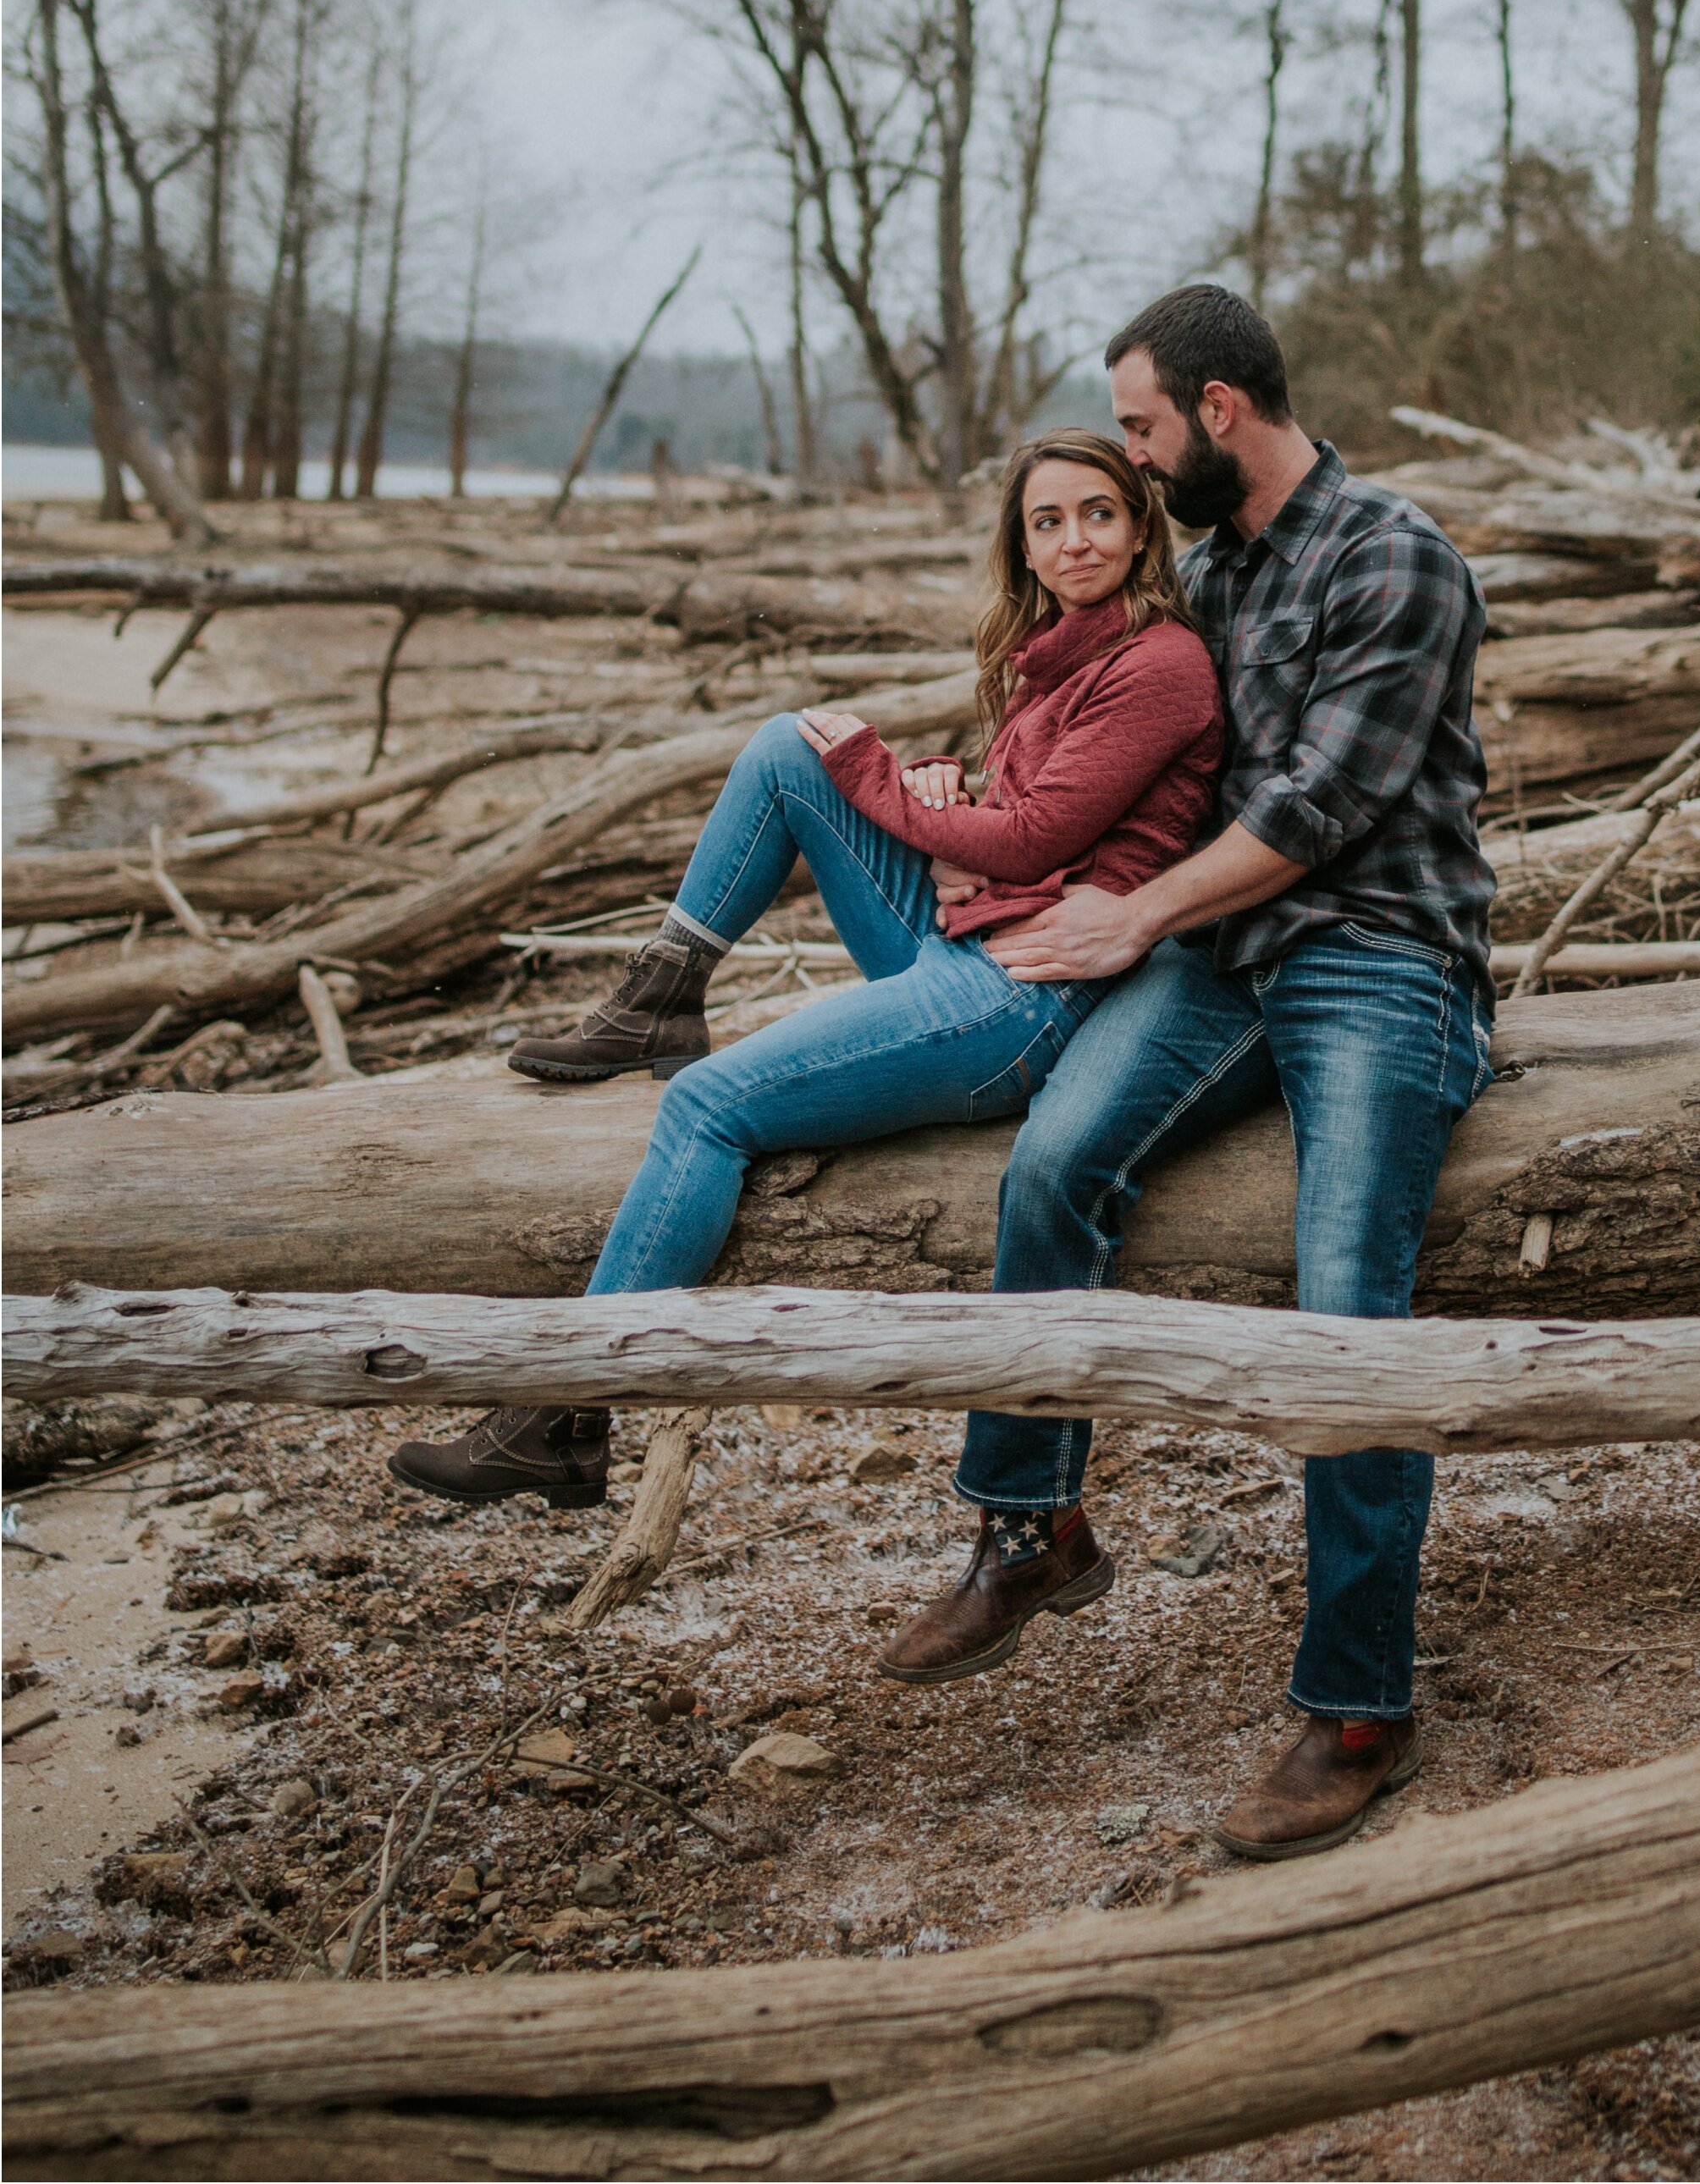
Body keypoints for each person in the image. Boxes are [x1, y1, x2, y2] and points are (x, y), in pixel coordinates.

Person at [876, 285, 1495, 1864]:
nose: (1135, 465)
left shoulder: (1396, 552)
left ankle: (1358, 1704)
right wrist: (978, 787)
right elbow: (1126, 740)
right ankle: (1031, 1525)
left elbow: (1319, 811)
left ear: (1219, 411)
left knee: (1350, 1290)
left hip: (1373, 953)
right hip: (1224, 958)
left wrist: (1129, 916)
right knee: (1054, 1163)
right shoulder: (1206, 573)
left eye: (1143, 429)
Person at [387, 428, 1223, 1518]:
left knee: (706, 1107)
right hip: (971, 941)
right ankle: (662, 991)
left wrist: (884, 778)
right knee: (789, 747)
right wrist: (938, 796)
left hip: (1022, 999)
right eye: (1047, 522)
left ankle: (559, 1414)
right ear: (1019, 545)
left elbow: (1028, 840)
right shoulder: (1062, 649)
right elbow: (1021, 819)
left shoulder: (1159, 662)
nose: (1075, 541)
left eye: (1098, 515)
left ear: (1141, 525)